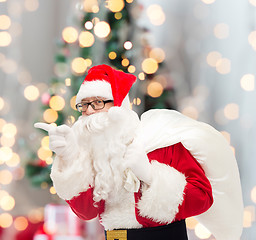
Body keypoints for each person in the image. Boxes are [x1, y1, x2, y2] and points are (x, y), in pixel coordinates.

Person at [35, 64, 243, 240]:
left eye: (98, 103)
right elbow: (86, 211)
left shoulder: (159, 141)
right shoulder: (93, 155)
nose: (89, 112)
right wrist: (70, 158)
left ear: (119, 107)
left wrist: (152, 176)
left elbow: (202, 197)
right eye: (84, 105)